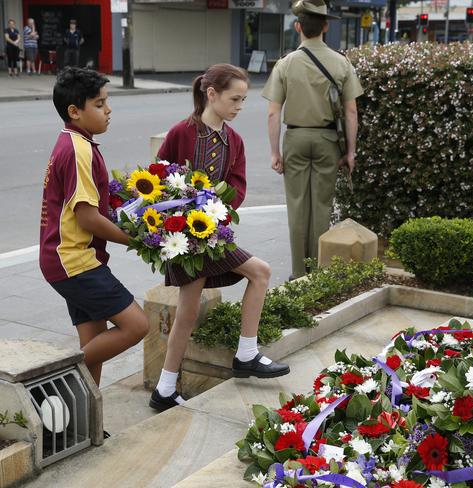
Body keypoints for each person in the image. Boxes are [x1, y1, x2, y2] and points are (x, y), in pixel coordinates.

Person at [150, 63, 289, 412]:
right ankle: (244, 355)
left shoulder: (234, 141)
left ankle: (166, 389)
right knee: (255, 275)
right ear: (211, 94)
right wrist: (176, 218)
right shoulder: (181, 132)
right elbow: (158, 174)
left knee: (193, 308)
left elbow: (238, 185)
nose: (239, 106)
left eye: (243, 100)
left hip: (212, 233)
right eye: (234, 99)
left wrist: (219, 207)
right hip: (184, 236)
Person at [40, 68, 149, 389]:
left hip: (67, 259)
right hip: (74, 262)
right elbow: (88, 218)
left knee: (96, 345)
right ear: (75, 111)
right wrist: (137, 240)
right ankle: (50, 380)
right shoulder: (78, 149)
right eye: (100, 104)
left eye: (107, 102)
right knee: (136, 325)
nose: (109, 110)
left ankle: (86, 424)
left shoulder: (73, 142)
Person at [262, 0, 363, 279]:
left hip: (294, 137)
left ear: (298, 27)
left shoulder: (285, 64)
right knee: (321, 206)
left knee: (297, 206)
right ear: (326, 27)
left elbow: (273, 113)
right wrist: (351, 151)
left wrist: (275, 153)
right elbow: (351, 110)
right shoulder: (341, 63)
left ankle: (298, 273)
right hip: (327, 140)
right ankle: (318, 272)